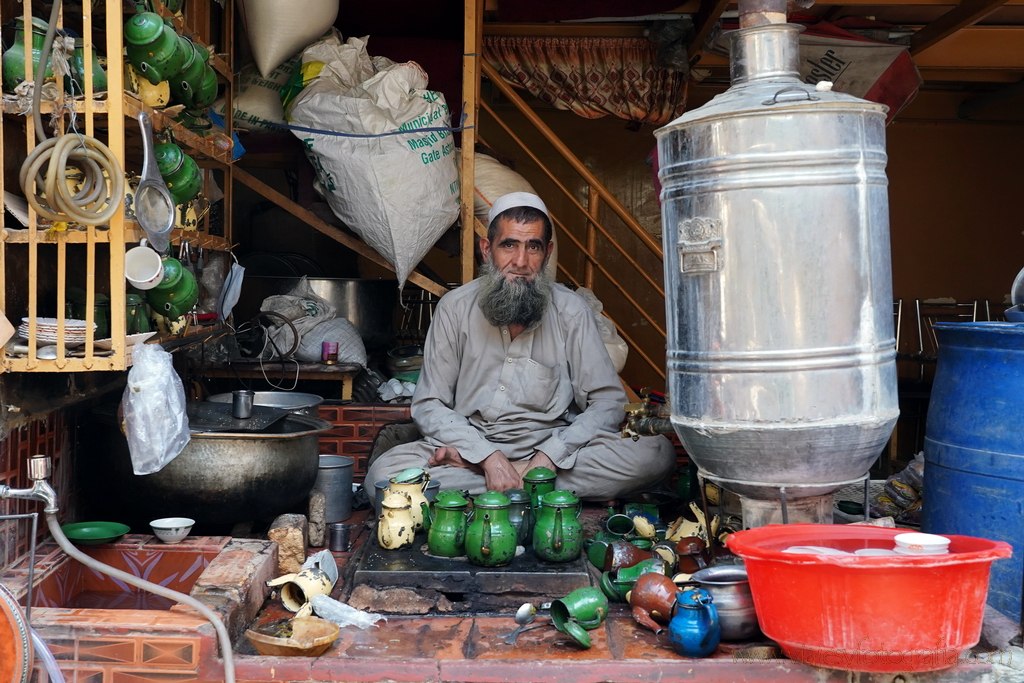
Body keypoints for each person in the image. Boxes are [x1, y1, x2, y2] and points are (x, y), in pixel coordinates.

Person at [366, 192, 675, 499]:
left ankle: (509, 479)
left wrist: (551, 455)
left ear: (548, 252)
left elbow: (607, 403)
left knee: (655, 452)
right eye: (509, 245)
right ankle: (528, 485)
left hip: (552, 452)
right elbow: (429, 404)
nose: (521, 262)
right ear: (487, 250)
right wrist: (486, 456)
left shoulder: (572, 312)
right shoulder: (454, 308)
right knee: (383, 476)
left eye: (533, 247)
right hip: (472, 446)